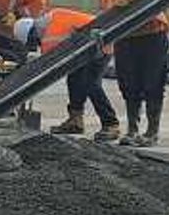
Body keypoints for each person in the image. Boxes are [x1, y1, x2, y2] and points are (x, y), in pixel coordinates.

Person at [99, 0, 169, 146]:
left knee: (153, 83)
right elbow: (109, 5)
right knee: (129, 85)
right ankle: (132, 129)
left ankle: (152, 132)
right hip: (126, 37)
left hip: (153, 34)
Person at [14, 9, 121, 141]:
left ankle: (111, 123)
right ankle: (75, 120)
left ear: (32, 33)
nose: (35, 44)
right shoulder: (53, 17)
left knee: (91, 83)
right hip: (89, 46)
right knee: (74, 79)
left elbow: (49, 66)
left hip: (99, 46)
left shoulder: (50, 36)